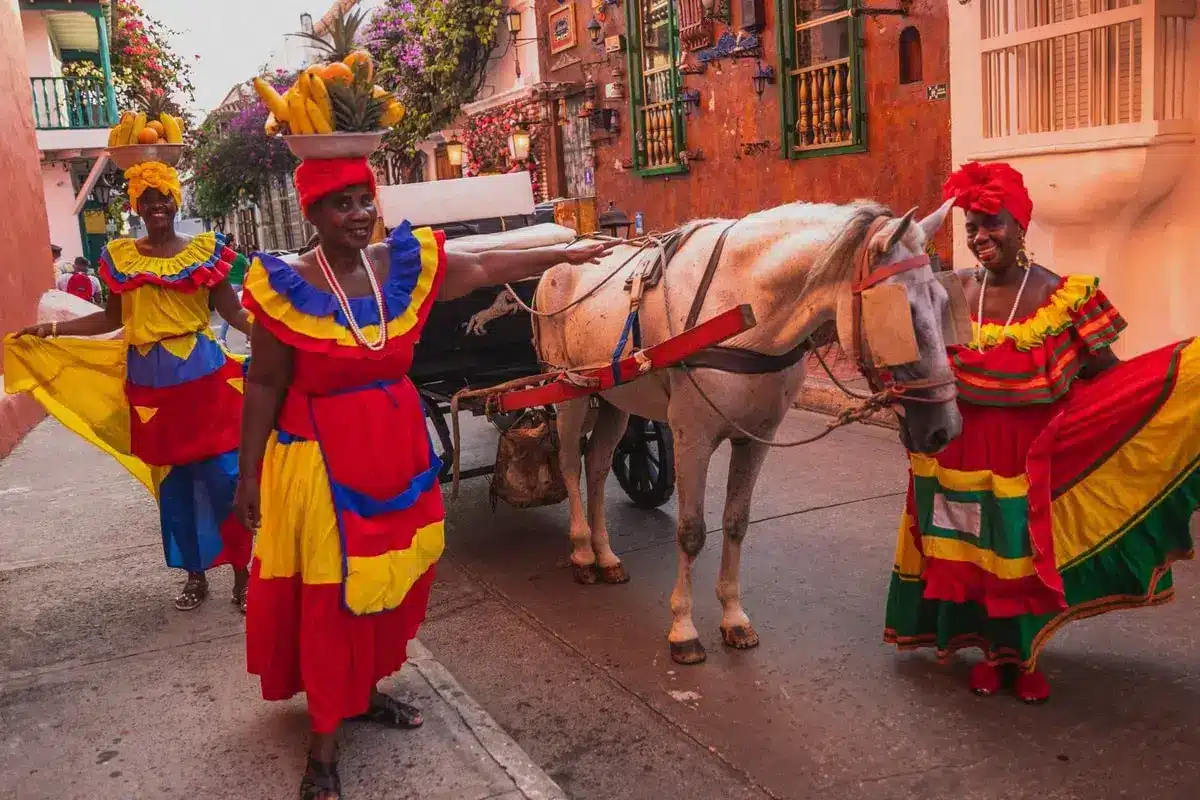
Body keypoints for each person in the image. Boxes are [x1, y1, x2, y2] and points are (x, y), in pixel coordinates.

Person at [235, 156, 614, 799]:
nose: (357, 215)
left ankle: (362, 692)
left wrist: (568, 254)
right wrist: (248, 476)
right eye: (340, 204)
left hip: (395, 448)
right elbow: (265, 381)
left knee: (389, 580)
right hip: (320, 461)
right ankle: (322, 752)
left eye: (363, 200)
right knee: (335, 598)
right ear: (312, 213)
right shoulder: (286, 283)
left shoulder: (398, 265)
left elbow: (485, 267)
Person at [883, 161, 1200, 703]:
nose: (982, 238)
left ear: (1021, 226)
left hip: (1028, 464)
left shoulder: (1063, 298)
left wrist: (1155, 400)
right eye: (972, 228)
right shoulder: (951, 292)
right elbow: (913, 359)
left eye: (993, 224)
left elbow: (1111, 376)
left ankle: (1024, 657)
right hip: (959, 454)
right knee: (970, 556)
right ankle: (988, 652)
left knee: (1022, 562)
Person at [6, 159, 255, 612]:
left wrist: (279, 334)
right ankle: (195, 574)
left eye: (164, 198)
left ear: (175, 201)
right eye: (147, 199)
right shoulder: (120, 258)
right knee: (175, 488)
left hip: (205, 382)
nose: (157, 206)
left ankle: (244, 573)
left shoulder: (204, 252)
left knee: (225, 481)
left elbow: (235, 315)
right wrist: (53, 332)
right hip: (150, 388)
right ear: (137, 205)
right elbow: (112, 319)